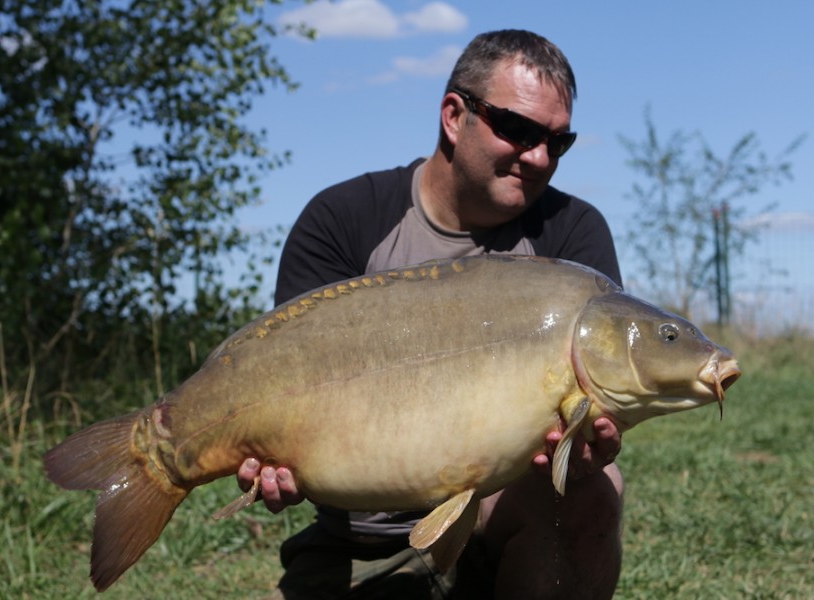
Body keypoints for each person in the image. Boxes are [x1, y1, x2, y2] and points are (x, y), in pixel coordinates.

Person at [239, 29, 624, 599]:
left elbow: (594, 413)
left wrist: (590, 449)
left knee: (596, 489)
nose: (540, 157)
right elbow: (288, 393)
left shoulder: (570, 235)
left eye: (557, 142)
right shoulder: (344, 220)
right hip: (361, 541)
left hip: (504, 523)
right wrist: (275, 459)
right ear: (453, 116)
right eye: (518, 130)